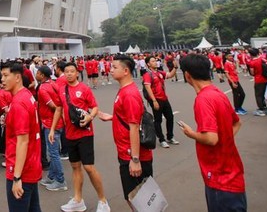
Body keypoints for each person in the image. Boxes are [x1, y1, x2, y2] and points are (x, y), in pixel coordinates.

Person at [179, 54, 247, 212]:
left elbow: (211, 138)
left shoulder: (203, 99)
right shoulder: (217, 93)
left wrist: (191, 133)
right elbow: (237, 122)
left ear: (187, 75)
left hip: (219, 178)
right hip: (232, 174)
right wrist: (224, 139)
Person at [97, 55, 154, 210]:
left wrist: (135, 160)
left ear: (126, 71)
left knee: (139, 198)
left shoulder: (129, 94)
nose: (111, 69)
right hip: (126, 152)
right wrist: (113, 118)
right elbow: (129, 119)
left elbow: (134, 127)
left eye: (115, 67)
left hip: (133, 155)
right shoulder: (124, 91)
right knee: (135, 196)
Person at [55, 62, 110, 212]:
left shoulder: (84, 88)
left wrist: (90, 117)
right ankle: (78, 200)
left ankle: (103, 201)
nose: (69, 74)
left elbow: (94, 107)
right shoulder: (61, 89)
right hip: (69, 134)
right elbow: (59, 109)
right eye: (66, 72)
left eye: (72, 71)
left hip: (85, 133)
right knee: (75, 167)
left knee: (89, 167)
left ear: (77, 73)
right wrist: (53, 129)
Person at [1, 61, 43, 212]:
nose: (2, 80)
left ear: (17, 77)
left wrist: (17, 177)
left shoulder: (19, 102)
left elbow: (22, 141)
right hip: (31, 165)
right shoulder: (27, 95)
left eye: (6, 75)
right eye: (2, 76)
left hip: (21, 170)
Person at [36, 66, 66, 191]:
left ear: (42, 75)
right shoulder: (53, 83)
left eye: (37, 73)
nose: (36, 74)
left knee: (53, 153)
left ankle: (60, 180)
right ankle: (51, 176)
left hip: (51, 123)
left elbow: (54, 106)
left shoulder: (43, 88)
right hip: (56, 122)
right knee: (54, 152)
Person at [143, 56, 179, 148]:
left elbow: (170, 75)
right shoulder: (148, 75)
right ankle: (162, 139)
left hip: (164, 98)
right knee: (158, 119)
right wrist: (154, 101)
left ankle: (170, 136)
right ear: (148, 64)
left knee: (170, 117)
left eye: (156, 60)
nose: (155, 62)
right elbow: (148, 88)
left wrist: (175, 68)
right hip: (156, 99)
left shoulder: (159, 72)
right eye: (153, 61)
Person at [246, 48, 267, 116]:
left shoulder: (252, 62)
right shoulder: (262, 59)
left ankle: (261, 109)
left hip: (258, 79)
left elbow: (252, 73)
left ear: (250, 54)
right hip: (265, 78)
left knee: (259, 95)